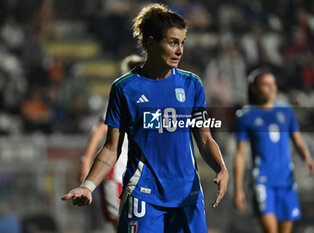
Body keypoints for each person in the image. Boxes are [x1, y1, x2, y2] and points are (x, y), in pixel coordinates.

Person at [62, 3, 229, 233]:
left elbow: (205, 139)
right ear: (150, 41)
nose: (180, 50)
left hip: (187, 196)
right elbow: (111, 149)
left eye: (182, 43)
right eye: (173, 42)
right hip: (143, 196)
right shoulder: (124, 89)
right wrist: (88, 186)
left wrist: (221, 167)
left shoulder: (192, 85)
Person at [233, 68, 314, 233]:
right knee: (271, 230)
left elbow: (298, 141)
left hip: (286, 180)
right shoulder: (246, 116)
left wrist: (307, 157)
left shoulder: (286, 112)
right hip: (262, 181)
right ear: (254, 88)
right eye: (266, 85)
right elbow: (240, 154)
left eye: (273, 84)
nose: (272, 88)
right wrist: (238, 189)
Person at [78, 55, 144, 230]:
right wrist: (86, 162)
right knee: (123, 225)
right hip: (118, 173)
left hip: (138, 175)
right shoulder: (123, 94)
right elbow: (99, 130)